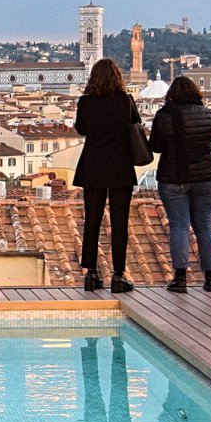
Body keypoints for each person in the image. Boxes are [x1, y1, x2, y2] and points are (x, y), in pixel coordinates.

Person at [72, 58, 143, 293]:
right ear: (117, 78)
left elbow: (81, 128)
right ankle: (118, 275)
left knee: (92, 220)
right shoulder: (125, 101)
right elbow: (135, 124)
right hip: (120, 166)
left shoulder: (86, 102)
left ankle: (91, 274)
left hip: (92, 165)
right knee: (119, 222)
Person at [149, 76, 211, 293]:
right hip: (205, 178)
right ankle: (210, 278)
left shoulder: (164, 116)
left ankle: (180, 278)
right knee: (204, 225)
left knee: (179, 226)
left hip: (174, 177)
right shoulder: (209, 114)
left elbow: (156, 147)